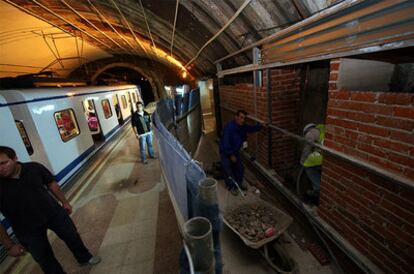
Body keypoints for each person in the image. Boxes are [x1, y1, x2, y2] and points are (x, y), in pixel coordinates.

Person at [0, 146, 101, 274]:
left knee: (72, 236)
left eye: (3, 163)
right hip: (26, 229)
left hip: (53, 213)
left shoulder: (34, 168)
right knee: (43, 257)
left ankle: (84, 257)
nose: (0, 169)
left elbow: (51, 183)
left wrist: (64, 202)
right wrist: (9, 245)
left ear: (15, 158)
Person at [219, 110, 262, 195]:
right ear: (236, 117)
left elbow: (251, 128)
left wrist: (261, 126)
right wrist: (231, 155)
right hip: (226, 152)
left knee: (240, 168)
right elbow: (225, 143)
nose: (242, 120)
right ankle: (231, 187)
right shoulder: (229, 128)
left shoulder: (242, 126)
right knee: (228, 169)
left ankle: (238, 184)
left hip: (235, 152)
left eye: (244, 118)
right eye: (241, 117)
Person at [300, 123, 325, 198]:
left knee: (307, 164)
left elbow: (307, 149)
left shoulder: (310, 133)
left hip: (326, 156)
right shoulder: (321, 128)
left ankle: (317, 189)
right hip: (328, 153)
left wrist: (302, 161)